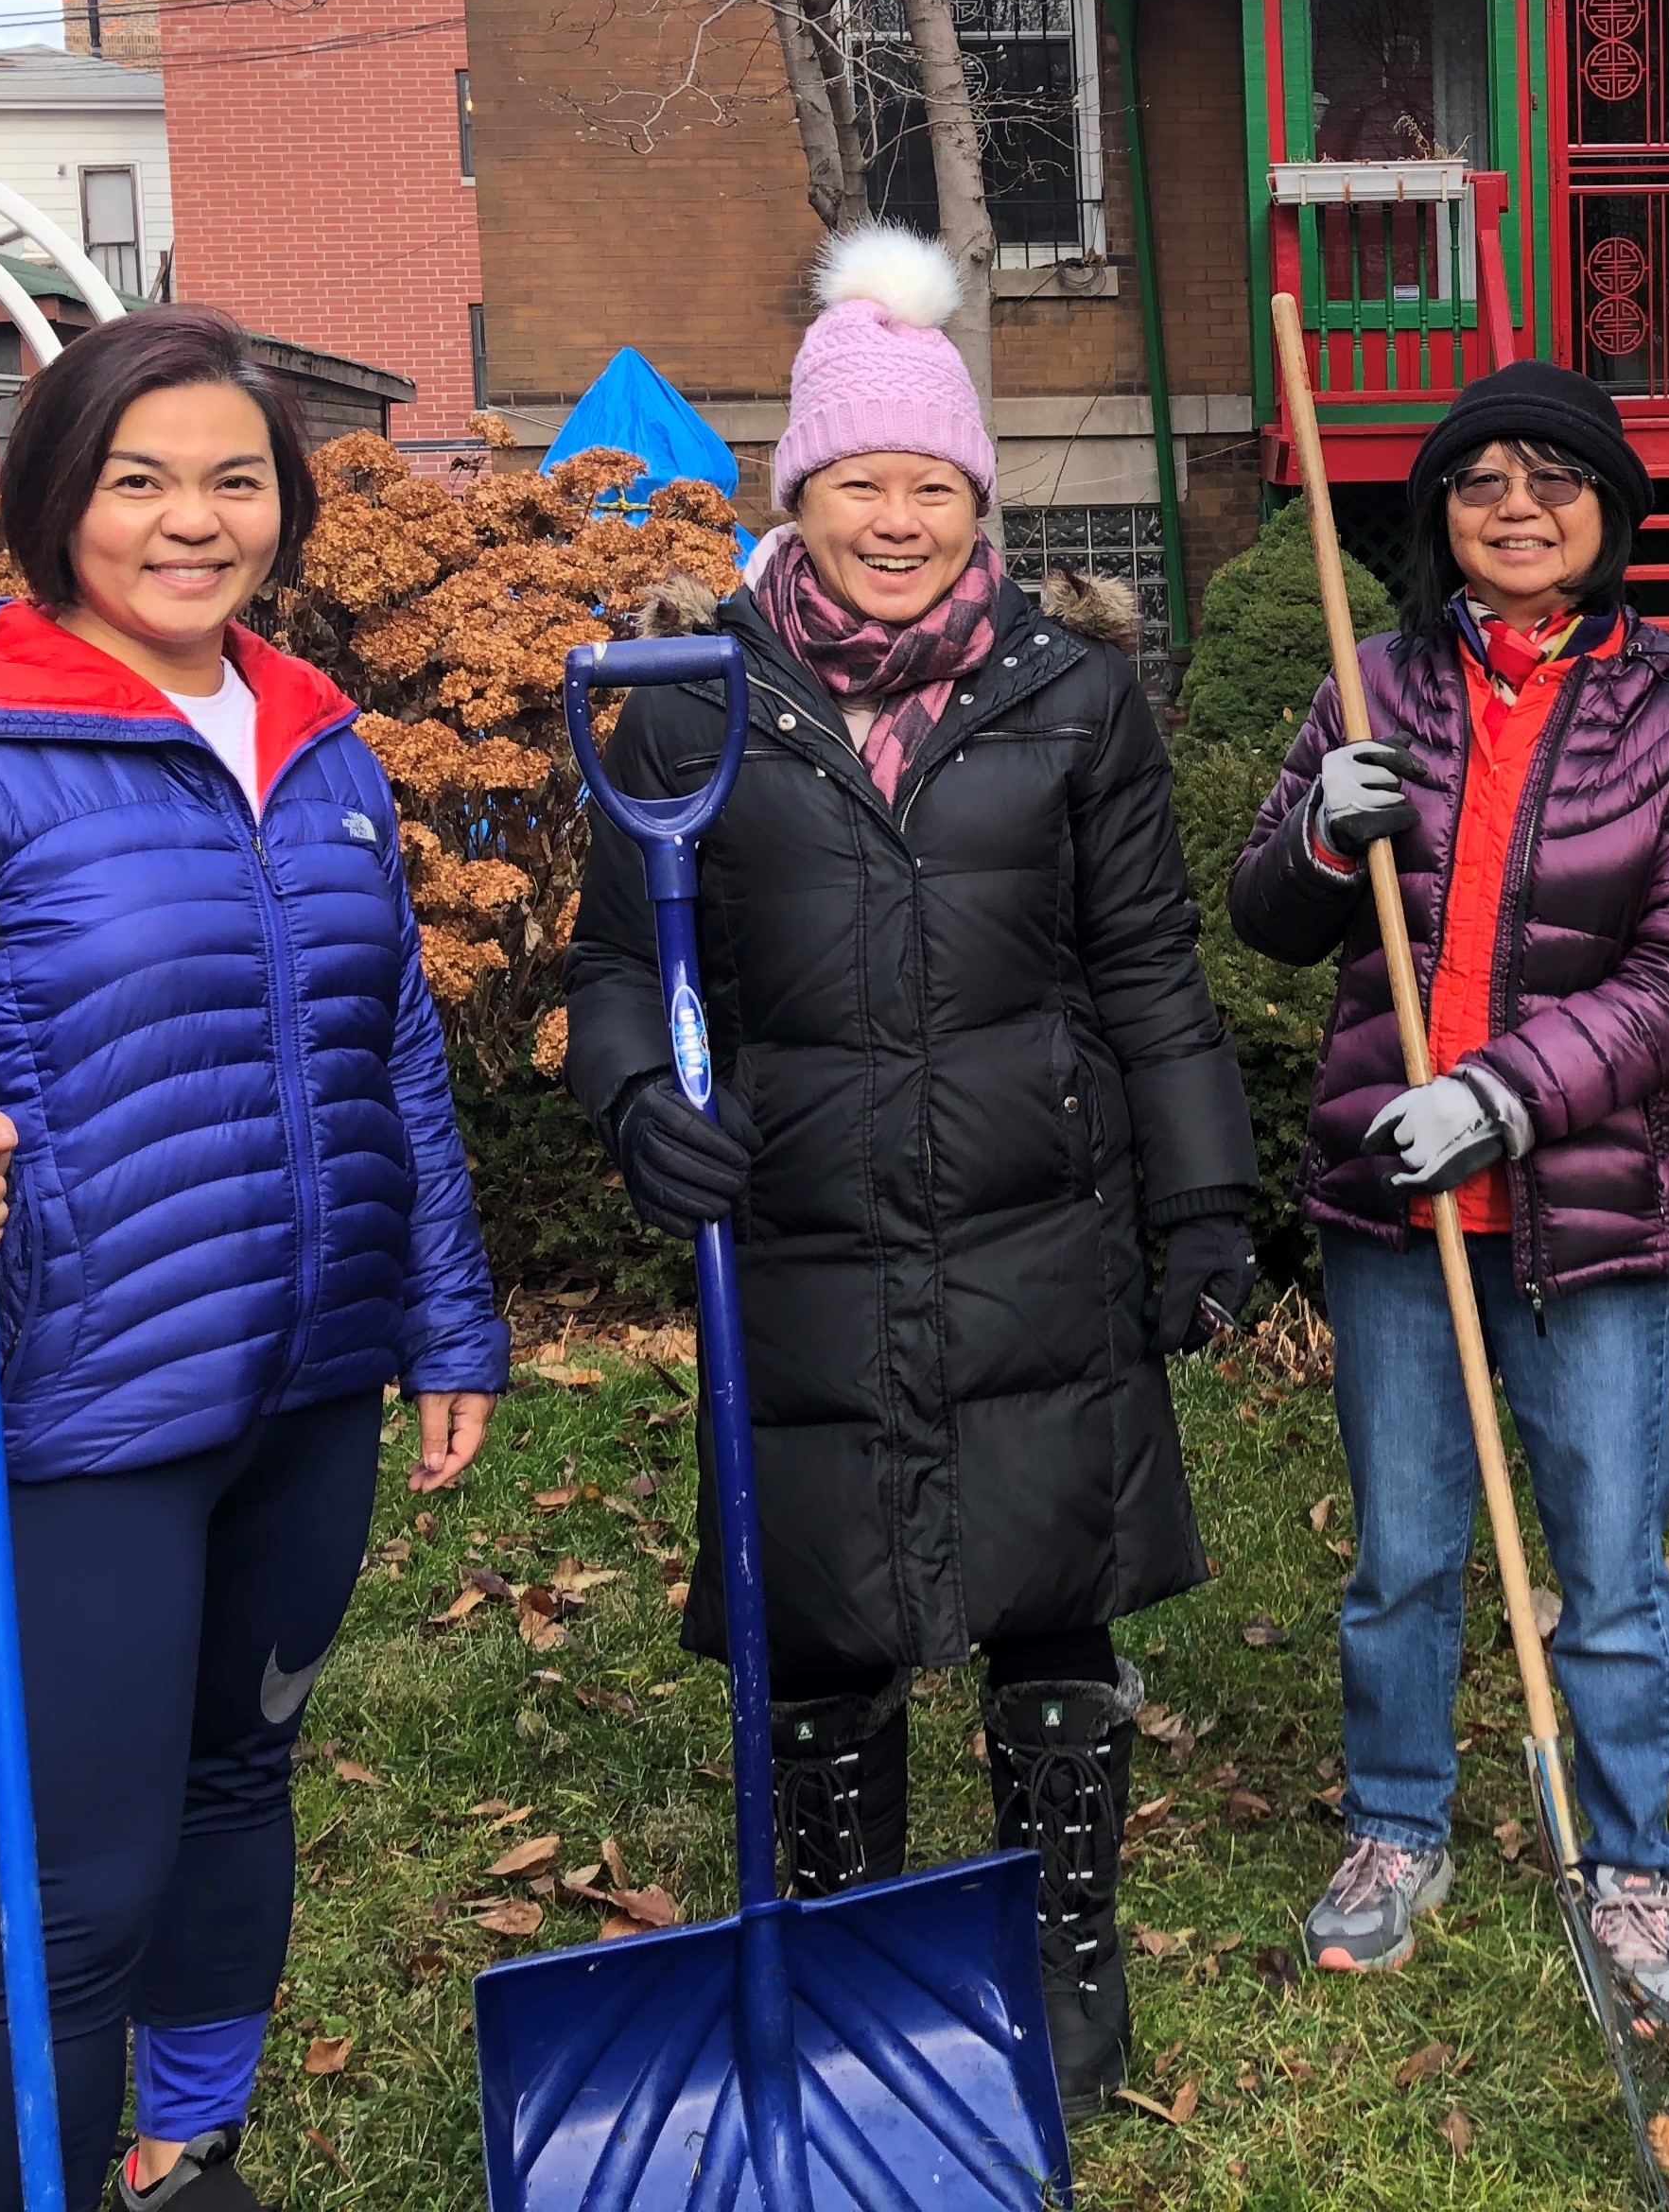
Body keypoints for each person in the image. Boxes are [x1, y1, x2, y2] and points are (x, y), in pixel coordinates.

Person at [0, 308, 508, 2212]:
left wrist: (448, 1320)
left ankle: (182, 2158)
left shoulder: (322, 748)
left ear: (285, 507)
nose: (193, 521)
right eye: (138, 480)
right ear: (52, 503)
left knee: (240, 1786)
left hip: (307, 1382)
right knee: (74, 1887)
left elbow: (393, 1053)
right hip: (82, 1400)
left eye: (235, 481)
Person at [563, 225, 1260, 2114]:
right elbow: (614, 967)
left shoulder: (1068, 695)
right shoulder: (690, 704)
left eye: (933, 485)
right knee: (821, 1607)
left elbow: (1146, 964)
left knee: (1050, 1586)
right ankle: (846, 1934)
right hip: (799, 1219)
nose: (898, 519)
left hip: (1036, 1215)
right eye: (860, 482)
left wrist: (1204, 1196)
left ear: (977, 501)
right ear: (798, 493)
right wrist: (635, 1104)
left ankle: (1061, 1939)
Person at [1228, 362, 1669, 2016]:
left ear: (1610, 514)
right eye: (1478, 482)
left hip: (1591, 1220)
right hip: (1394, 1214)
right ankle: (1396, 1825)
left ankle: (1630, 1861)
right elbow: (1263, 917)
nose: (1515, 507)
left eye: (1553, 479)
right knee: (1399, 1555)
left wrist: (1504, 1097)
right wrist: (1320, 838)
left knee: (1607, 1569)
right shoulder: (1367, 682)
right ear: (1438, 517)